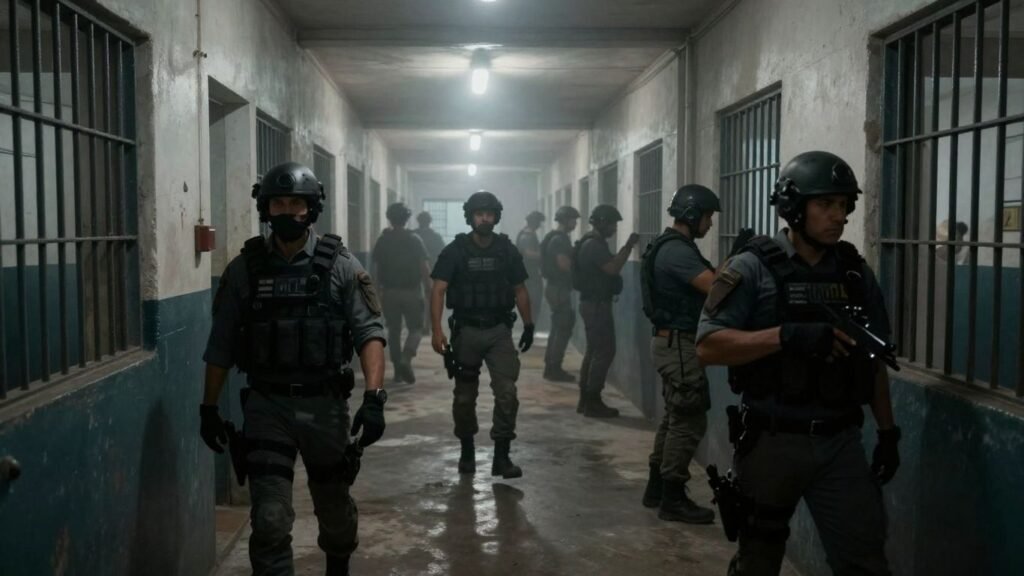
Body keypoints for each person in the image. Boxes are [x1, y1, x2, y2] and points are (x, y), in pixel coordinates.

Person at [697, 151, 900, 576]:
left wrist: (887, 431)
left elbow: (873, 358)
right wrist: (786, 336)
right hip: (773, 440)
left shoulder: (854, 274)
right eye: (825, 204)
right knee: (759, 559)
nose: (838, 216)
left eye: (843, 206)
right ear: (794, 207)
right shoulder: (751, 267)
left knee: (864, 558)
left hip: (840, 441)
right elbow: (709, 345)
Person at [199, 161, 387, 576]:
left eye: (296, 204)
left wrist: (375, 398)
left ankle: (338, 566)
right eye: (278, 204)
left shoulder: (340, 265)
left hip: (325, 407)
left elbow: (370, 334)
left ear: (311, 209)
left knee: (335, 512)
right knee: (268, 517)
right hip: (268, 407)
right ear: (266, 209)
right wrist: (208, 407)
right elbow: (222, 345)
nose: (287, 213)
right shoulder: (243, 270)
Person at [430, 191, 535, 479]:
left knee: (507, 393)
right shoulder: (456, 250)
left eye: (489, 214)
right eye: (479, 213)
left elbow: (520, 289)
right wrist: (437, 330)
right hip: (466, 330)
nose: (484, 218)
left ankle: (501, 456)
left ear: (496, 216)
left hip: (499, 330)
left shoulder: (506, 250)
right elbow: (438, 289)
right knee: (464, 398)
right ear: (470, 217)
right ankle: (467, 449)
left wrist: (528, 324)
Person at [639, 185, 720, 524]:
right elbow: (715, 287)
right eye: (707, 216)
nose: (710, 224)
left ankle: (657, 488)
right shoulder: (677, 251)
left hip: (672, 342)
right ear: (692, 214)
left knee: (675, 416)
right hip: (679, 343)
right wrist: (741, 266)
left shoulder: (670, 246)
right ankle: (672, 497)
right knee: (689, 418)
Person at [573, 204, 639, 418]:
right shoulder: (594, 245)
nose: (614, 228)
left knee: (594, 352)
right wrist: (628, 247)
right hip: (597, 306)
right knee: (604, 352)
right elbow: (612, 268)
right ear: (602, 222)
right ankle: (592, 401)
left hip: (592, 304)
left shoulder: (590, 242)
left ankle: (586, 400)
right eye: (612, 224)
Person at [373, 202, 431, 384]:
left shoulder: (383, 241)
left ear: (389, 218)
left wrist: (376, 293)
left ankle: (398, 371)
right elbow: (424, 268)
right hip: (411, 292)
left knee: (394, 331)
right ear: (407, 219)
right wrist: (428, 289)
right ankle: (407, 358)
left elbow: (375, 270)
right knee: (416, 329)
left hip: (389, 292)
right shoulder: (415, 240)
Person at [540, 206, 581, 382]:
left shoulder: (555, 237)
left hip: (555, 287)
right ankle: (554, 368)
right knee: (563, 326)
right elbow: (563, 264)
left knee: (558, 327)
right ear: (566, 220)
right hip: (558, 288)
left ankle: (551, 366)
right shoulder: (559, 240)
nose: (575, 223)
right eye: (573, 220)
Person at [517, 210, 546, 333]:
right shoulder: (527, 236)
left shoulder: (526, 234)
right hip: (530, 276)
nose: (540, 225)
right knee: (533, 303)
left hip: (529, 275)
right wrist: (544, 256)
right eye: (539, 222)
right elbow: (528, 253)